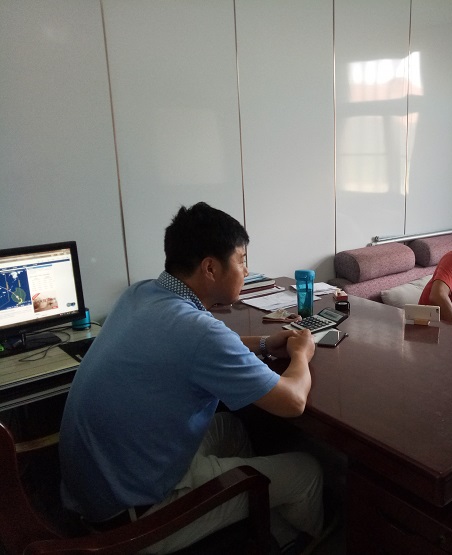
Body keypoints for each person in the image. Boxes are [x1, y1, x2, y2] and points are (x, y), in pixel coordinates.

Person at [59, 202, 323, 554]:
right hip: (135, 519)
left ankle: (266, 529)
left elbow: (196, 346)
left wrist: (263, 343)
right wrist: (302, 353)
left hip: (100, 487)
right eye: (241, 260)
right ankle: (305, 543)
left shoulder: (141, 293)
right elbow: (292, 401)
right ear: (210, 268)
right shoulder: (198, 332)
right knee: (307, 472)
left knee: (232, 429)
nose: (247, 270)